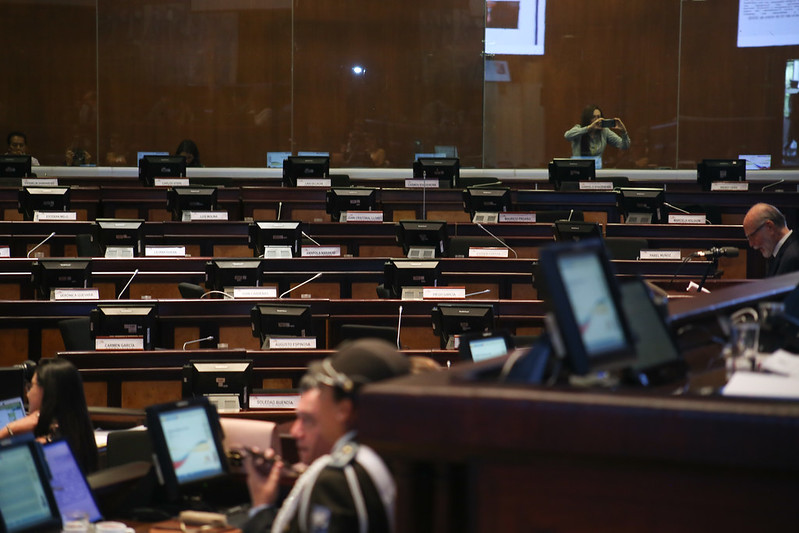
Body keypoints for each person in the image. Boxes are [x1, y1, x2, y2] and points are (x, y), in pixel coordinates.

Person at [242, 338, 410, 533]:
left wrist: (260, 510)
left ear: (344, 410)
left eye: (323, 394)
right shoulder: (402, 456)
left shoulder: (336, 481)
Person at [0, 358, 98, 474]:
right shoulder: (81, 433)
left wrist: (9, 429)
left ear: (45, 392)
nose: (28, 393)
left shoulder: (44, 447)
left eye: (31, 386)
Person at [743, 203, 799, 277]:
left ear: (770, 227)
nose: (751, 244)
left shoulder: (793, 258)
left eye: (752, 236)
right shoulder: (784, 253)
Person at [564, 105, 630, 162]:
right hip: (578, 168)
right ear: (588, 118)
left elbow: (624, 146)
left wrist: (623, 131)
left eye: (599, 116)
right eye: (594, 117)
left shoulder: (604, 131)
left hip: (597, 170)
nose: (597, 120)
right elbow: (567, 136)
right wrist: (589, 128)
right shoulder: (579, 129)